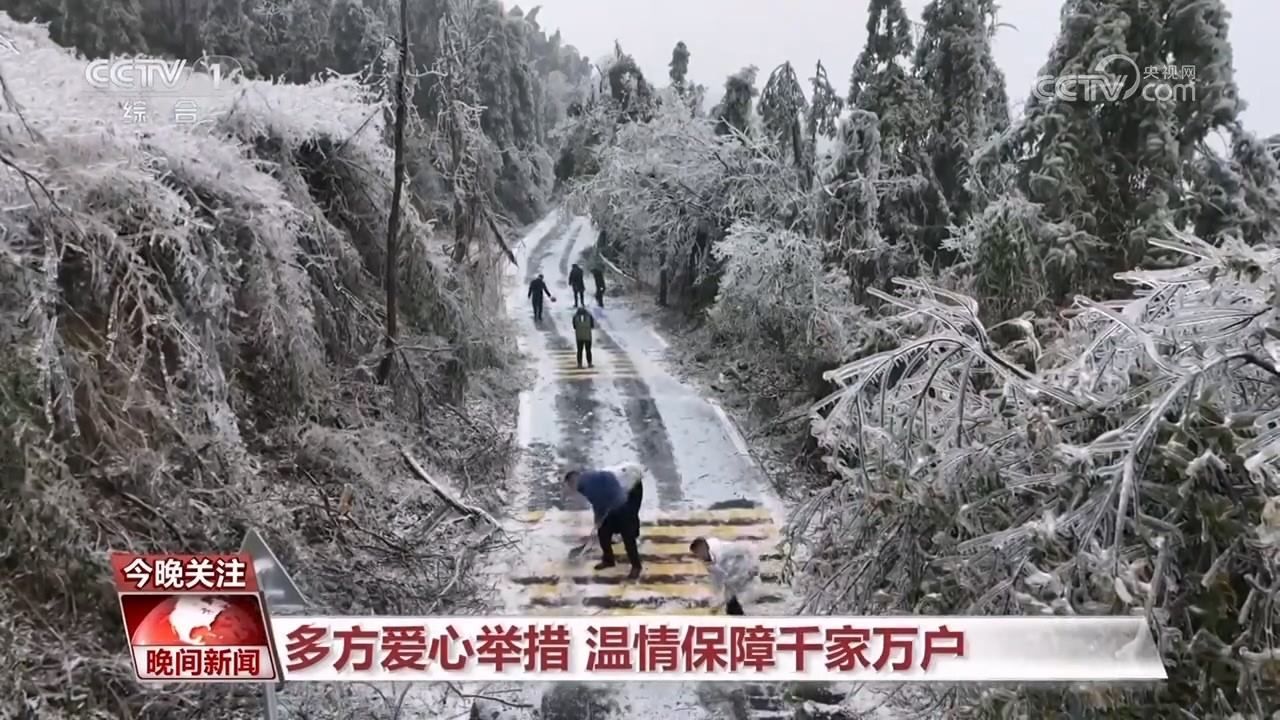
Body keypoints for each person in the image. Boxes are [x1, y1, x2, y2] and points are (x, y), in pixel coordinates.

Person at [565, 464, 645, 579]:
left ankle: (636, 566)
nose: (571, 489)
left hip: (632, 488)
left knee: (627, 530)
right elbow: (598, 502)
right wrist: (598, 520)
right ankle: (608, 560)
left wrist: (599, 518)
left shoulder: (587, 483)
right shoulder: (583, 484)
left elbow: (601, 502)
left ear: (574, 480)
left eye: (570, 485)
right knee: (603, 532)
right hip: (615, 492)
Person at [690, 536, 759, 615]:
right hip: (733, 573)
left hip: (744, 568)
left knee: (733, 594)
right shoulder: (708, 562)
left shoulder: (723, 550)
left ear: (706, 547)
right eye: (697, 554)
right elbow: (718, 581)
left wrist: (753, 565)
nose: (700, 556)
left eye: (700, 552)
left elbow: (744, 549)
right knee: (730, 596)